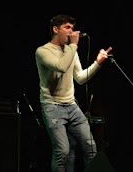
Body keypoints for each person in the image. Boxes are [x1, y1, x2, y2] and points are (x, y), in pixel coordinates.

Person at [35, 15, 112, 172]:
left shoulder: (71, 51)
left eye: (72, 28)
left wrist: (97, 63)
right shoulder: (43, 51)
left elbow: (80, 78)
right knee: (62, 152)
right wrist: (74, 45)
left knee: (91, 147)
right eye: (67, 28)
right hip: (52, 107)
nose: (72, 31)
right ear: (56, 29)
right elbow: (61, 66)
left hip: (71, 106)